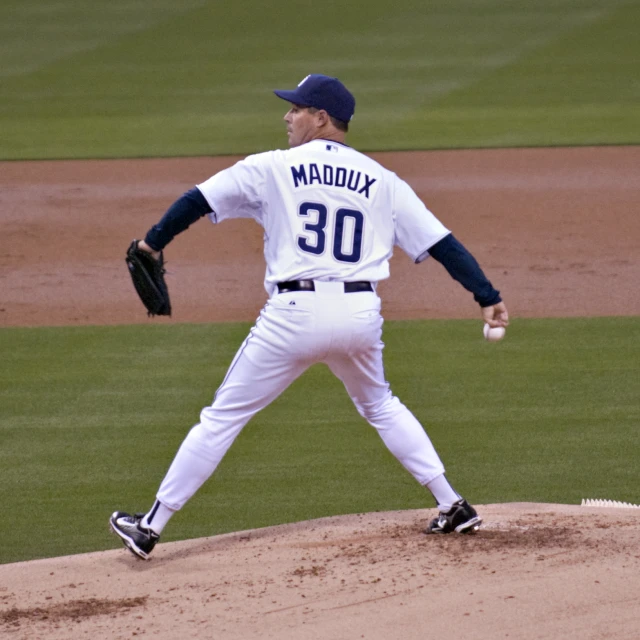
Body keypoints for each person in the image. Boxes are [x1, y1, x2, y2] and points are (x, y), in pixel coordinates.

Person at [110, 74, 509, 560]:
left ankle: (150, 526)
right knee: (381, 404)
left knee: (223, 417)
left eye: (296, 108)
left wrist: (153, 242)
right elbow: (443, 244)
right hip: (361, 315)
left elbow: (197, 200)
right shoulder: (383, 180)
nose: (286, 116)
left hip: (293, 316)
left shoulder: (273, 167)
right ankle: (453, 504)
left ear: (321, 118)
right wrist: (486, 295)